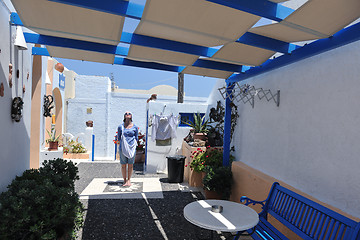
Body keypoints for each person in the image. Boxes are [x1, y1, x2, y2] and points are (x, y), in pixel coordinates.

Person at [117, 111, 138, 186]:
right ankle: (124, 180)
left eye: (129, 113)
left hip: (132, 148)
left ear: (131, 116)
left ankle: (129, 180)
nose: (128, 114)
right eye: (126, 113)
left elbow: (136, 137)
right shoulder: (121, 127)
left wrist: (132, 145)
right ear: (124, 116)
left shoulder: (135, 127)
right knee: (123, 165)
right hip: (123, 148)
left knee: (130, 164)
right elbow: (118, 138)